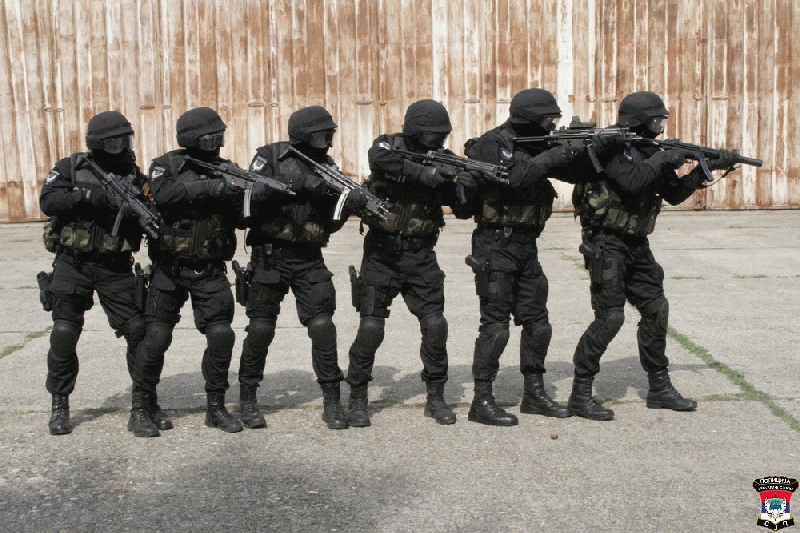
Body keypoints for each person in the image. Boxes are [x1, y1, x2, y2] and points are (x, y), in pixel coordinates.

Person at [568, 91, 738, 420]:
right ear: (639, 120)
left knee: (656, 310)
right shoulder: (610, 148)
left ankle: (659, 388)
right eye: (657, 119)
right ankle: (580, 392)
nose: (661, 125)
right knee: (610, 317)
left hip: (636, 244)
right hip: (607, 244)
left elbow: (673, 194)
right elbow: (632, 182)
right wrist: (665, 159)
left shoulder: (650, 150)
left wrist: (705, 169)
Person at [345, 99, 476, 427]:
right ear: (415, 131)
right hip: (382, 255)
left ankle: (436, 396)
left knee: (435, 326)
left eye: (442, 135)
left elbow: (462, 209)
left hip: (421, 256)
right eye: (432, 135)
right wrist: (427, 174)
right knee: (371, 328)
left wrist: (465, 184)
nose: (438, 140)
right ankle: (357, 396)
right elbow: (380, 159)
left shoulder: (444, 160)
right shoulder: (389, 146)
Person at [236, 105, 368, 430]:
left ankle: (332, 400)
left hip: (308, 258)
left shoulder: (328, 168)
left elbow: (329, 225)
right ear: (304, 135)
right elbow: (247, 198)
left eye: (330, 135)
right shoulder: (270, 156)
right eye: (322, 135)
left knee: (323, 326)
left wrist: (347, 206)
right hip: (270, 257)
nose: (328, 141)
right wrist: (295, 181)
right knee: (261, 328)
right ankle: (247, 399)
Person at [461, 88, 584, 426]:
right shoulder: (491, 144)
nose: (552, 124)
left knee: (538, 324)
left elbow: (575, 172)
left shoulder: (539, 143)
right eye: (548, 119)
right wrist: (555, 155)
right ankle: (481, 400)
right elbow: (515, 177)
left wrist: (585, 150)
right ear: (531, 118)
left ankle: (534, 394)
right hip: (495, 245)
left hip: (527, 247)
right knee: (496, 327)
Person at [132, 107, 245, 436]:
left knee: (221, 335)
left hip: (210, 269)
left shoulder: (227, 170)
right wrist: (210, 188)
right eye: (211, 138)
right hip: (169, 268)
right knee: (156, 338)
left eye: (220, 137)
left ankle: (216, 407)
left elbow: (242, 219)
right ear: (192, 139)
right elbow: (165, 197)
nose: (217, 143)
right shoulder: (165, 166)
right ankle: (141, 408)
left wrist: (242, 194)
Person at [39, 111, 150, 435]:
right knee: (64, 332)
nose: (119, 146)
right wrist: (89, 197)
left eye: (123, 139)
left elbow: (150, 216)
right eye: (111, 141)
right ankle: (60, 404)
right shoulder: (71, 168)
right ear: (96, 143)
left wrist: (134, 214)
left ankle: (142, 406)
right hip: (73, 263)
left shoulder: (134, 176)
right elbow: (49, 201)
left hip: (115, 267)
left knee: (138, 331)